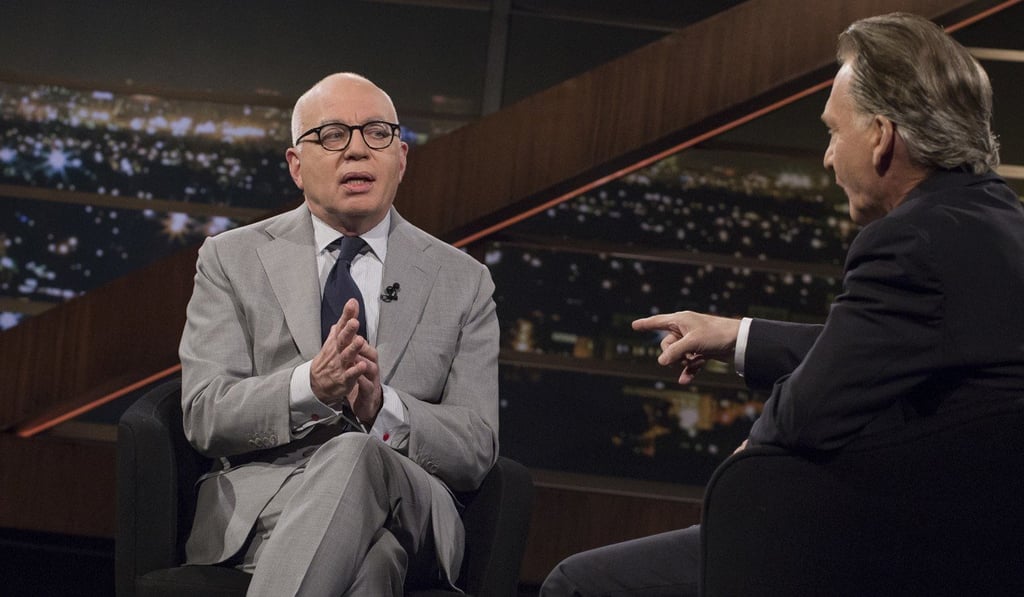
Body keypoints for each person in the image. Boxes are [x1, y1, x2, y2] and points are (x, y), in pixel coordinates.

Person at [541, 12, 1024, 596]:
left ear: (881, 136)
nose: (825, 158)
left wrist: (750, 460)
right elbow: (875, 346)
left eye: (832, 131)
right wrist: (737, 335)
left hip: (886, 549)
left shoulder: (909, 242)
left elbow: (803, 417)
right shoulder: (997, 222)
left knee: (580, 583)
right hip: (973, 547)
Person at [178, 72, 499, 596]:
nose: (356, 152)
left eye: (376, 133)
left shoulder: (463, 281)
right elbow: (205, 413)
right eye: (332, 136)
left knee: (356, 455)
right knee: (376, 561)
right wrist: (310, 388)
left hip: (410, 498)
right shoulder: (231, 259)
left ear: (401, 157)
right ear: (296, 166)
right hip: (272, 502)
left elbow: (475, 447)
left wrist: (382, 410)